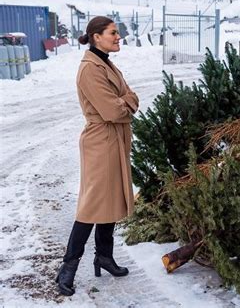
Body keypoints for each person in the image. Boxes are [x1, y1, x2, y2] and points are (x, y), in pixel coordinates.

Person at [56, 16, 139, 296]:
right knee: (92, 206)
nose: (118, 37)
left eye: (117, 33)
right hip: (101, 142)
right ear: (96, 36)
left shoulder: (105, 62)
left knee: (111, 198)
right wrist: (126, 102)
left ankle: (104, 256)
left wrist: (125, 101)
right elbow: (114, 110)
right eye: (113, 33)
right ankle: (67, 267)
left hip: (113, 140)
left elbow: (130, 96)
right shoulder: (90, 69)